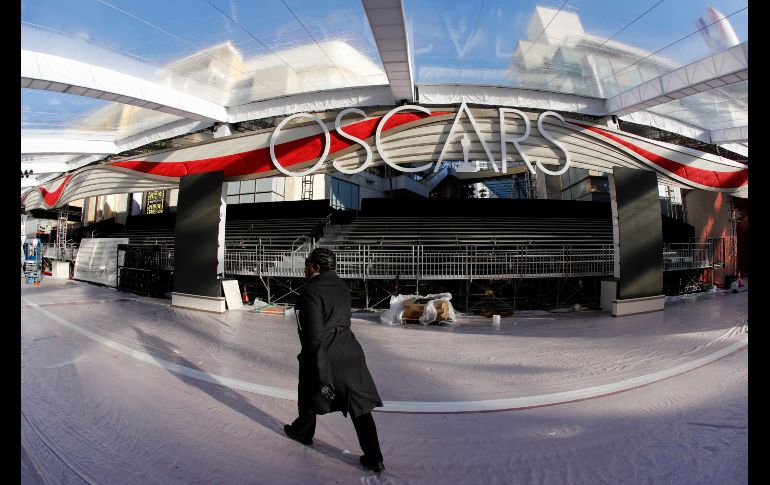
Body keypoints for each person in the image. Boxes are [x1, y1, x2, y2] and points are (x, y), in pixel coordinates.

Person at [284, 247, 385, 473]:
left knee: (309, 391)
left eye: (308, 262)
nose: (305, 266)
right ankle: (374, 457)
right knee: (360, 406)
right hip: (350, 349)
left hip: (325, 354)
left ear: (316, 267)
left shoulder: (311, 293)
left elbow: (314, 338)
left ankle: (303, 432)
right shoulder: (342, 286)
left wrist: (323, 377)